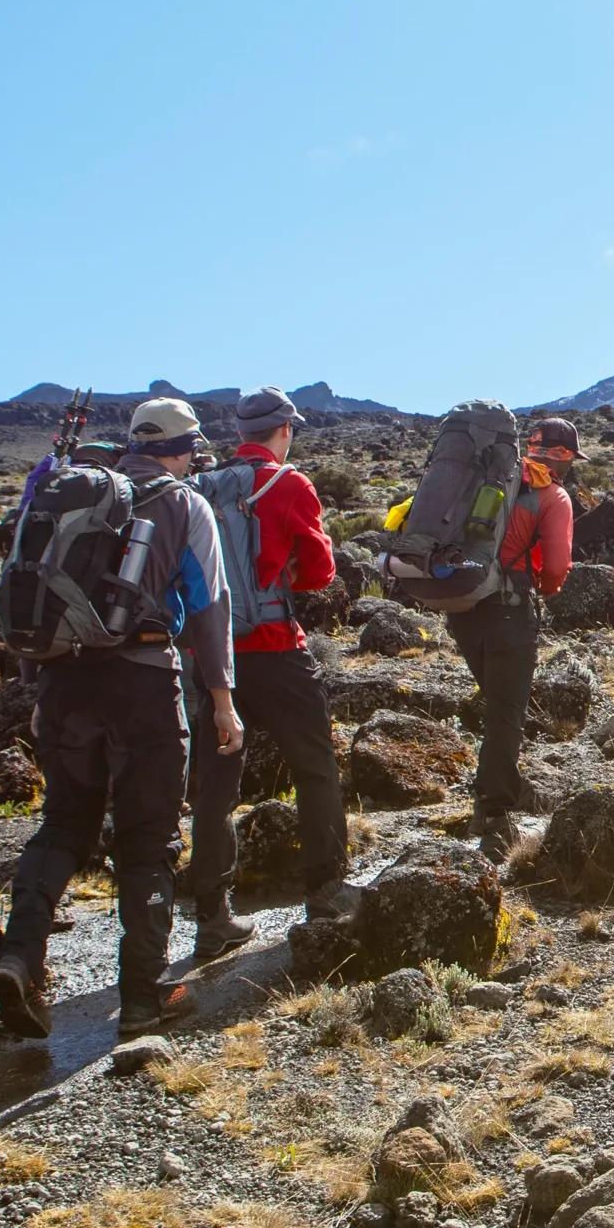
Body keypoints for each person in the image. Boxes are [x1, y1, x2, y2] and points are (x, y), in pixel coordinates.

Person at [0, 397, 243, 1041]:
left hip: (63, 682)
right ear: (185, 449)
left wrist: (37, 682)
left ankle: (18, 957)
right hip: (145, 682)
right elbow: (210, 607)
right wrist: (222, 700)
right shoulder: (185, 503)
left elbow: (27, 588)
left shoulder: (67, 491)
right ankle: (140, 1001)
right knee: (150, 836)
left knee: (62, 826)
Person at [185, 387, 348, 961]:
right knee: (314, 765)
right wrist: (284, 578)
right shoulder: (288, 484)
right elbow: (322, 571)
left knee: (216, 786)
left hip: (212, 657)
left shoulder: (203, 487)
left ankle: (212, 915)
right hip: (277, 648)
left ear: (240, 434)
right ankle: (326, 891)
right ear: (285, 430)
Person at [447, 417, 576, 856]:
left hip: (462, 607)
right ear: (562, 456)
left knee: (495, 703)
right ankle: (495, 815)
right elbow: (557, 566)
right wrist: (545, 588)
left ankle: (492, 792)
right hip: (509, 612)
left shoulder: (485, 480)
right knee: (506, 712)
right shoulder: (552, 495)